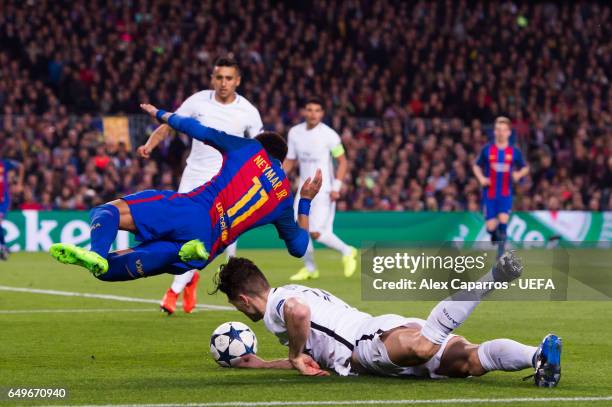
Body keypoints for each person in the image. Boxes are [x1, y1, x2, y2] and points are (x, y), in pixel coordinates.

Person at [49, 105, 321, 284]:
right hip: (207, 248)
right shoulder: (284, 198)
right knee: (126, 266)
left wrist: (162, 114)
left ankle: (96, 251)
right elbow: (299, 248)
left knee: (105, 212)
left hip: (191, 211)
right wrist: (305, 200)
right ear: (282, 161)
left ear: (261, 146)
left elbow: (199, 130)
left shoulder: (249, 148)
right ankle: (179, 249)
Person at [213, 252, 562, 388]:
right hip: (381, 331)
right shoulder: (288, 292)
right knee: (472, 360)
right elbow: (308, 356)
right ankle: (539, 357)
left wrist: (292, 356)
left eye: (237, 306)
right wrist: (261, 364)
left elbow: (299, 315)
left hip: (368, 342)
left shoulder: (280, 306)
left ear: (243, 300)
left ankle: (493, 278)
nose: (242, 312)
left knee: (426, 345)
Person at [138, 57, 263, 314]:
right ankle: (190, 278)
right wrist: (150, 144)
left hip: (227, 182)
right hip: (194, 176)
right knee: (184, 234)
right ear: (212, 79)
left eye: (229, 78)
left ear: (237, 81)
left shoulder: (248, 112)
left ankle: (173, 291)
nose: (223, 83)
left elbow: (259, 147)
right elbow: (169, 124)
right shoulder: (197, 101)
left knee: (223, 240)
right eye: (219, 77)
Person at [283, 97, 357, 281]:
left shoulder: (330, 135)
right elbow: (291, 160)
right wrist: (276, 178)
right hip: (304, 189)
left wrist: (336, 187)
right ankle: (310, 268)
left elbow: (342, 162)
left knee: (315, 231)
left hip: (324, 190)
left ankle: (348, 251)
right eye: (309, 109)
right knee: (301, 230)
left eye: (317, 110)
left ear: (322, 113)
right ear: (304, 112)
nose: (313, 114)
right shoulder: (294, 133)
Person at [473, 117, 529, 258]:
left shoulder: (513, 151)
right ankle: (494, 235)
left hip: (505, 194)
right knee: (491, 228)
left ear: (509, 132)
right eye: (498, 129)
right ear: (494, 132)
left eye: (504, 130)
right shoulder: (488, 150)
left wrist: (518, 174)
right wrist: (481, 178)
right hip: (489, 194)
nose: (501, 132)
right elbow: (476, 165)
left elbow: (525, 167)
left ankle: (500, 257)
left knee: (503, 223)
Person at [0, 158, 24, 260]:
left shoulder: (4, 163)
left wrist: (19, 183)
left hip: (3, 200)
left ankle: (3, 247)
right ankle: (4, 247)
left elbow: (21, 166)